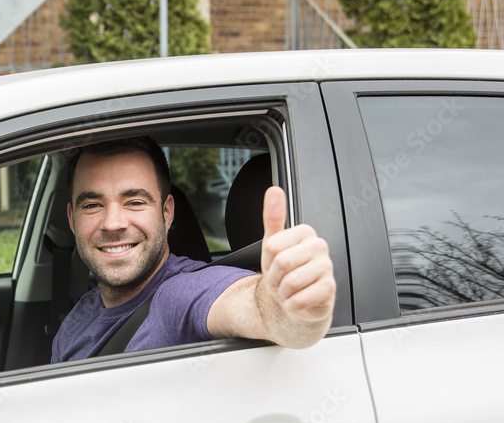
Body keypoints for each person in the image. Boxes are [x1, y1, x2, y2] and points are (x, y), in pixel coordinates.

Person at [51, 137, 336, 363]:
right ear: (72, 219)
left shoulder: (180, 296)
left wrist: (291, 307)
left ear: (166, 213)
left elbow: (259, 308)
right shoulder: (77, 320)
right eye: (92, 205)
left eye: (135, 202)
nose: (113, 223)